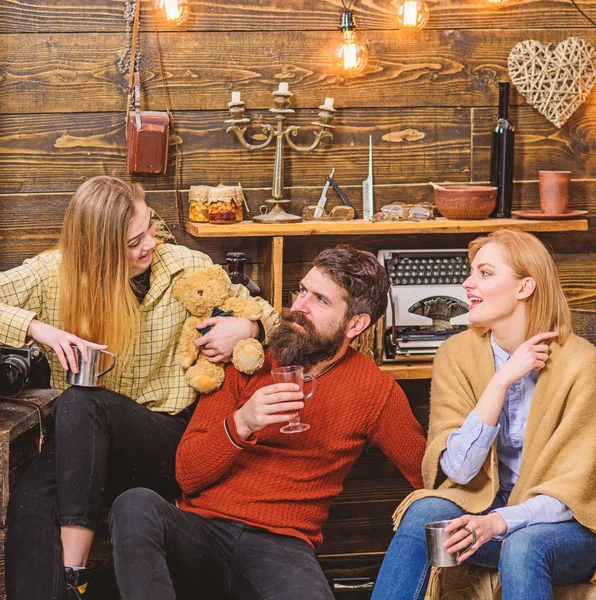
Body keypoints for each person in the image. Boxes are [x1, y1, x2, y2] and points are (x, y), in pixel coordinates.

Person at [1, 176, 279, 600]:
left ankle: (73, 575)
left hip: (163, 442)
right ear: (99, 249)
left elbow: (275, 318)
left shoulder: (184, 267)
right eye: (135, 241)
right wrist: (37, 328)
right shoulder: (53, 273)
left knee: (80, 401)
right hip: (83, 449)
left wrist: (250, 325)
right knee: (29, 507)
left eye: (150, 228)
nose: (150, 243)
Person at [107, 244, 427, 600]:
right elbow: (188, 473)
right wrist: (242, 422)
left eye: (320, 300)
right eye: (303, 290)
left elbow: (427, 472)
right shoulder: (250, 357)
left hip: (283, 546)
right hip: (203, 531)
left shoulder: (374, 390)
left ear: (356, 323)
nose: (299, 307)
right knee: (135, 504)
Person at [372, 229, 596, 600]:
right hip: (486, 514)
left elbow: (574, 491)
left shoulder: (582, 365)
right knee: (424, 511)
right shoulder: (456, 353)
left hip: (566, 530)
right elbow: (458, 472)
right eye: (471, 271)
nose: (467, 283)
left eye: (485, 273)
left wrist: (499, 522)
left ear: (525, 288)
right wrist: (501, 382)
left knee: (525, 545)